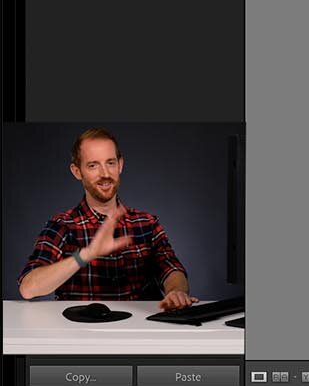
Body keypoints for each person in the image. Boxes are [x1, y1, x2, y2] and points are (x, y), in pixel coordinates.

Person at [17, 128, 197, 310]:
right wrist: (86, 254)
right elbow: (28, 288)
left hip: (139, 331)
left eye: (110, 163)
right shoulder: (62, 225)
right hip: (80, 333)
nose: (104, 174)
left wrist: (176, 291)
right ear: (77, 171)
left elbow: (171, 268)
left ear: (120, 165)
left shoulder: (147, 224)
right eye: (93, 165)